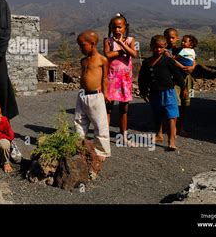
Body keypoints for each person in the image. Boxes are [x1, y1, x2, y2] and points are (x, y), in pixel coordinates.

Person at [138, 35, 186, 151]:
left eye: (161, 47)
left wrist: (183, 88)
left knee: (171, 115)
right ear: (151, 47)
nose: (158, 50)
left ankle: (171, 141)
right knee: (157, 114)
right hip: (154, 92)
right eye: (155, 47)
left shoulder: (168, 61)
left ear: (165, 47)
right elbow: (142, 77)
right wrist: (143, 89)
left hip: (169, 92)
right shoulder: (147, 62)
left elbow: (177, 75)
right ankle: (159, 134)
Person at [74, 30, 111, 160]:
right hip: (82, 95)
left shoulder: (102, 60)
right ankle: (79, 145)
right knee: (79, 121)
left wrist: (106, 94)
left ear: (93, 43)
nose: (80, 48)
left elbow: (105, 79)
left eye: (82, 45)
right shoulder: (83, 61)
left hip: (96, 96)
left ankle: (102, 151)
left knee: (100, 124)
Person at [103, 13, 137, 146]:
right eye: (114, 27)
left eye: (119, 27)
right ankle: (104, 136)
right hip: (111, 78)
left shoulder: (130, 40)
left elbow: (133, 53)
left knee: (124, 109)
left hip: (125, 79)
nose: (116, 30)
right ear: (110, 28)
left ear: (125, 27)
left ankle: (124, 136)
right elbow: (107, 54)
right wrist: (121, 51)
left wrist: (122, 44)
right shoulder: (108, 40)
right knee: (108, 107)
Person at [163, 28, 197, 136]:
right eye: (168, 38)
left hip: (186, 79)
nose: (171, 40)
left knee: (184, 105)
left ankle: (180, 128)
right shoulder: (163, 51)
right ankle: (171, 128)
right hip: (173, 81)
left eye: (173, 37)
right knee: (174, 104)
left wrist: (193, 67)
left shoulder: (182, 50)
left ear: (177, 38)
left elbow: (193, 58)